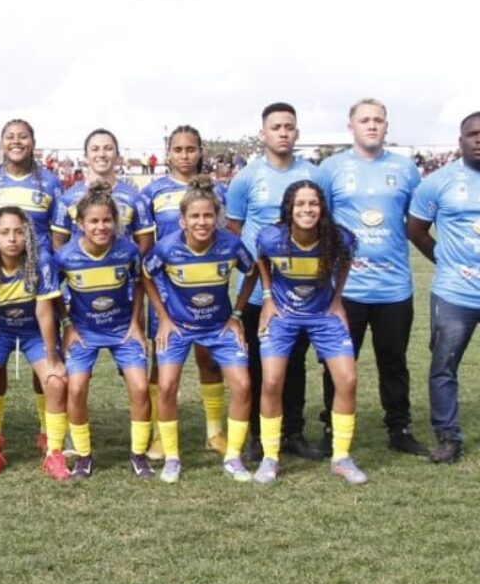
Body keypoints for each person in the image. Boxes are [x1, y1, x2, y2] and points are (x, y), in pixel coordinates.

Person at [315, 99, 428, 456]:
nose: (372, 125)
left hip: (393, 287)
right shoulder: (331, 169)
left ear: (386, 126)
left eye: (378, 120)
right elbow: (321, 224)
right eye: (364, 120)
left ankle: (399, 428)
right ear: (351, 127)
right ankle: (333, 430)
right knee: (338, 362)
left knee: (393, 362)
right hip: (346, 290)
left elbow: (416, 220)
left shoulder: (405, 168)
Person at [142, 178, 257, 483]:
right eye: (194, 216)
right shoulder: (167, 248)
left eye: (208, 215)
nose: (202, 222)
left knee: (243, 386)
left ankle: (233, 456)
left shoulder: (230, 244)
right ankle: (172, 457)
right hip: (179, 328)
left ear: (216, 217)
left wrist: (236, 314)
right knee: (165, 386)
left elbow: (253, 270)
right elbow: (146, 276)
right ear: (183, 220)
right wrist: (164, 318)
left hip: (220, 328)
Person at [226, 103, 322, 462]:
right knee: (255, 363)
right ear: (263, 133)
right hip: (255, 292)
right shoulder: (247, 178)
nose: (283, 132)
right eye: (276, 127)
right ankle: (256, 434)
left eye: (289, 127)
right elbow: (235, 230)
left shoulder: (314, 174)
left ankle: (293, 431)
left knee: (294, 361)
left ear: (297, 132)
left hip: (301, 291)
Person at [253, 180, 366, 485]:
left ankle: (341, 458)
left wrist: (337, 299)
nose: (307, 209)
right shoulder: (271, 237)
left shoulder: (338, 238)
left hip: (322, 314)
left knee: (348, 379)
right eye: (300, 204)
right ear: (290, 208)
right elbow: (261, 260)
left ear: (322, 207)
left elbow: (345, 263)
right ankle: (270, 458)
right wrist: (267, 299)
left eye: (313, 203)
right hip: (283, 314)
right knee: (272, 380)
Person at [0, 119, 63, 450]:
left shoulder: (50, 182)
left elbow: (59, 232)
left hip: (38, 282)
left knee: (48, 367)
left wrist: (42, 268)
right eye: (10, 136)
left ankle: (45, 429)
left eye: (23, 136)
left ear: (33, 142)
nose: (17, 141)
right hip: (0, 284)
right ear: (1, 142)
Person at [55, 182, 153, 480]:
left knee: (139, 386)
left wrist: (136, 323)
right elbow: (52, 292)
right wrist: (68, 324)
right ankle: (83, 455)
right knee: (76, 387)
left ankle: (139, 454)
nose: (101, 227)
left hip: (123, 329)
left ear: (116, 221)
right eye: (93, 221)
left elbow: (139, 284)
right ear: (80, 224)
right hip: (84, 330)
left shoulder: (128, 251)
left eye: (107, 220)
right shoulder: (65, 256)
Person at [140, 126, 228, 457]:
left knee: (209, 358)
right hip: (166, 292)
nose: (185, 155)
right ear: (168, 154)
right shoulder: (152, 193)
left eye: (191, 149)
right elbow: (146, 248)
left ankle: (214, 432)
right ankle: (159, 435)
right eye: (178, 149)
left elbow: (227, 238)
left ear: (201, 151)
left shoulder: (218, 190)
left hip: (207, 288)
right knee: (161, 363)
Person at [0, 206, 67, 479]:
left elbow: (45, 312)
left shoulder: (41, 261)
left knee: (56, 381)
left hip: (32, 331)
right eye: (5, 232)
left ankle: (54, 452)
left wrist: (54, 360)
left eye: (19, 232)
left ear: (28, 235)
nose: (12, 239)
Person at [407, 111, 480, 464]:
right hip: (455, 292)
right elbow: (416, 228)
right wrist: (445, 260)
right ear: (460, 140)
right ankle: (448, 436)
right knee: (444, 364)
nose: (479, 139)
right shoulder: (439, 182)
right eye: (473, 133)